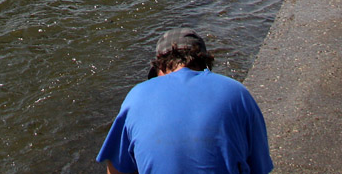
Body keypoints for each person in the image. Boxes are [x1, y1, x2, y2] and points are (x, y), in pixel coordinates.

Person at [97, 28, 273, 174]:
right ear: (205, 64)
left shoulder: (136, 96)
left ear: (160, 68)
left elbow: (115, 169)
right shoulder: (237, 93)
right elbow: (260, 167)